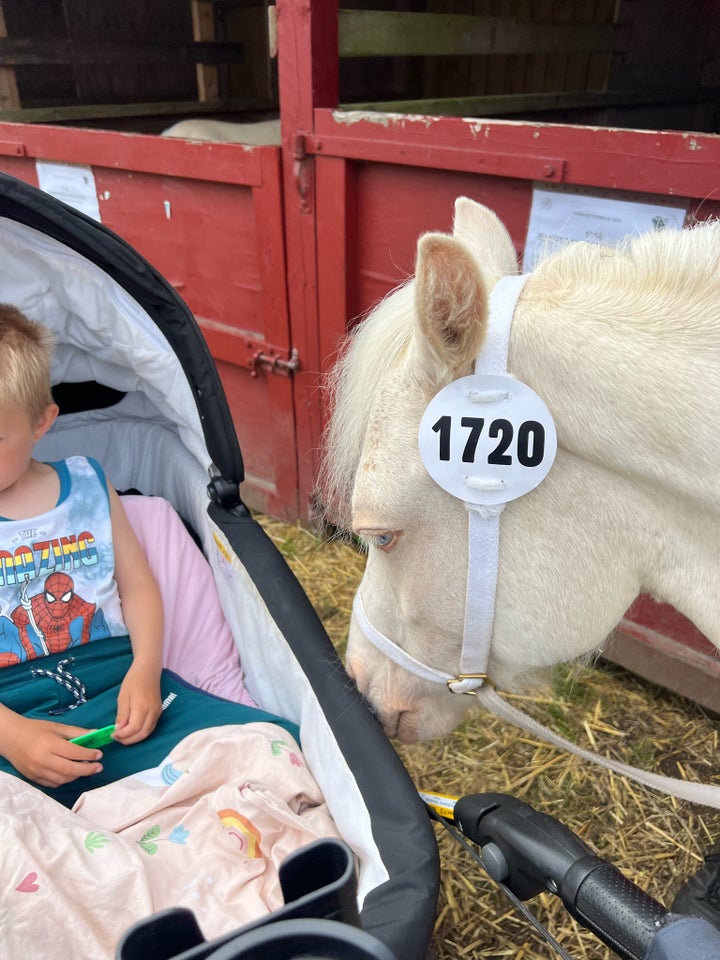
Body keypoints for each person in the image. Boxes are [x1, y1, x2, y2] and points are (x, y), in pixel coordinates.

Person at [0, 303, 164, 790]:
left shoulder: (89, 484)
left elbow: (137, 590)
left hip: (116, 678)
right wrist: (10, 735)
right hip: (12, 706)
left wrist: (146, 671)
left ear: (42, 422)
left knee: (262, 741)